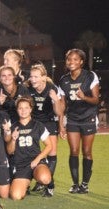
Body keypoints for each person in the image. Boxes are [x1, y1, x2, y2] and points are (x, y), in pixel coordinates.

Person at [59, 49, 100, 194]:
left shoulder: (90, 76)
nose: (72, 62)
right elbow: (62, 105)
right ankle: (75, 184)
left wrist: (84, 97)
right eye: (69, 59)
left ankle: (85, 184)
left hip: (88, 118)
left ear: (82, 62)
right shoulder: (63, 79)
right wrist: (61, 125)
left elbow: (96, 100)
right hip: (72, 119)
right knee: (74, 151)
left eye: (75, 59)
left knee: (87, 151)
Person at [27, 63, 65, 197]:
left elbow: (59, 112)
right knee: (31, 150)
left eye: (36, 77)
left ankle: (49, 185)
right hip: (34, 122)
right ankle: (39, 180)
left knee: (52, 152)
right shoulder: (28, 87)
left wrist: (56, 100)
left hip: (49, 122)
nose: (33, 79)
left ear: (44, 77)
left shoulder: (52, 88)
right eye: (31, 76)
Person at [6, 96, 52, 200]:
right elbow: (9, 151)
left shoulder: (38, 125)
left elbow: (49, 146)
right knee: (15, 196)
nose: (23, 111)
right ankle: (26, 184)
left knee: (45, 178)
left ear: (31, 109)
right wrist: (13, 139)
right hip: (21, 165)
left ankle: (45, 182)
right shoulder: (13, 127)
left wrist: (37, 159)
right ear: (17, 110)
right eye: (20, 108)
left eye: (26, 108)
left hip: (36, 162)